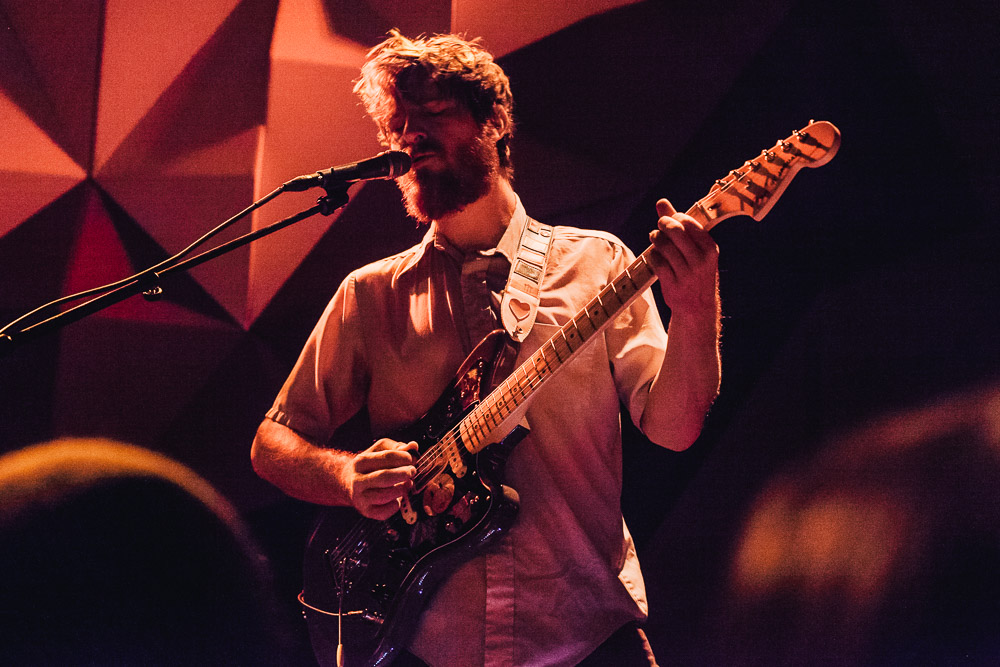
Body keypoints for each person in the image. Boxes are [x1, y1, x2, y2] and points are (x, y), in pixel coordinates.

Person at [251, 30, 721, 666]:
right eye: (399, 122)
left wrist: (694, 310)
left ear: (495, 122)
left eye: (434, 112)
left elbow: (673, 430)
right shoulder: (369, 295)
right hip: (422, 647)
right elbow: (272, 443)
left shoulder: (598, 262)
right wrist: (345, 476)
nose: (411, 134)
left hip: (586, 639)